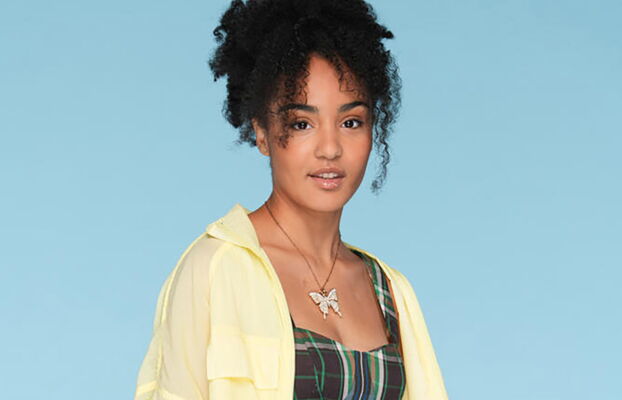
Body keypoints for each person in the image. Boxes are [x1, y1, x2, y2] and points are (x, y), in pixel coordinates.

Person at [134, 0, 448, 399]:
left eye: (351, 122)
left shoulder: (391, 291)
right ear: (262, 133)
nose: (330, 148)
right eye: (302, 124)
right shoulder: (215, 269)